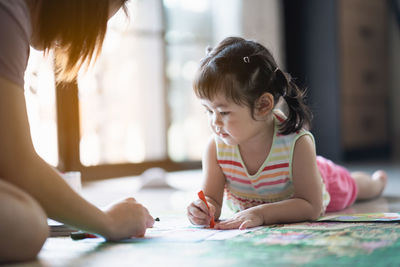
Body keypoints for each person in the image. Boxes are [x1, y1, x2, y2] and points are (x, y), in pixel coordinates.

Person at [0, 0, 154, 263]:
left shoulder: (16, 23)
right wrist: (107, 221)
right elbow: (17, 162)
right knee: (27, 225)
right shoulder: (7, 15)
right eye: (95, 23)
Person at [187, 37, 387, 230]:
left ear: (263, 105)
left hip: (320, 182)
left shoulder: (298, 143)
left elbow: (311, 206)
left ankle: (376, 183)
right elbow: (212, 199)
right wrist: (204, 209)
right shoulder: (215, 148)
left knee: (352, 186)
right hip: (288, 183)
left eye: (223, 112)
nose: (214, 122)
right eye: (208, 111)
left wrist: (261, 214)